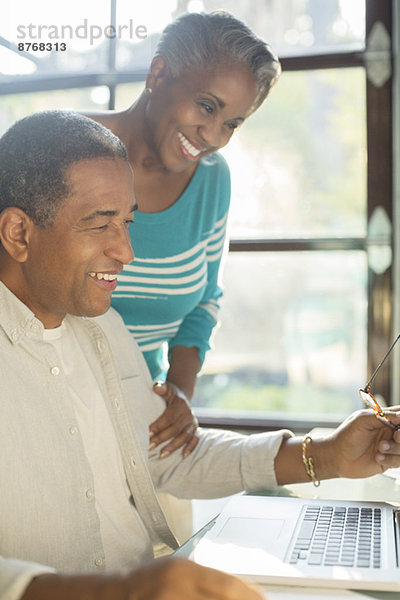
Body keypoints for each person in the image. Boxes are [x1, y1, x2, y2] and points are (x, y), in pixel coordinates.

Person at [1, 110, 400, 600]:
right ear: (19, 233)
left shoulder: (105, 327)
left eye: (127, 221)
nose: (126, 251)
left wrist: (327, 454)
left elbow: (165, 458)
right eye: (101, 224)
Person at [85, 11, 282, 464]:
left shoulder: (212, 180)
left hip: (146, 425)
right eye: (207, 106)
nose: (213, 135)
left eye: (232, 123)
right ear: (159, 73)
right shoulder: (67, 150)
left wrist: (178, 394)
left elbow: (204, 301)